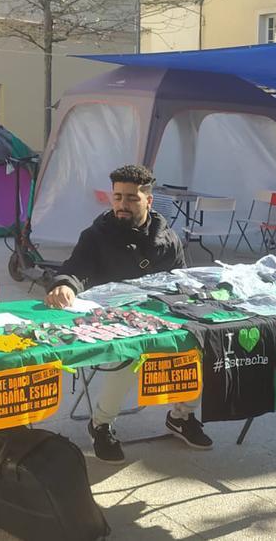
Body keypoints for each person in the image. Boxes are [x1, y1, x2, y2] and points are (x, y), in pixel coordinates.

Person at [44, 164, 212, 463]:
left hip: (160, 318)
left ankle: (181, 416)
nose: (122, 204)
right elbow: (75, 269)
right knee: (128, 353)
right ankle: (101, 424)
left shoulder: (167, 239)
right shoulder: (96, 235)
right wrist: (65, 286)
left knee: (198, 346)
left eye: (131, 198)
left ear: (148, 200)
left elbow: (181, 282)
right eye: (118, 197)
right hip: (111, 321)